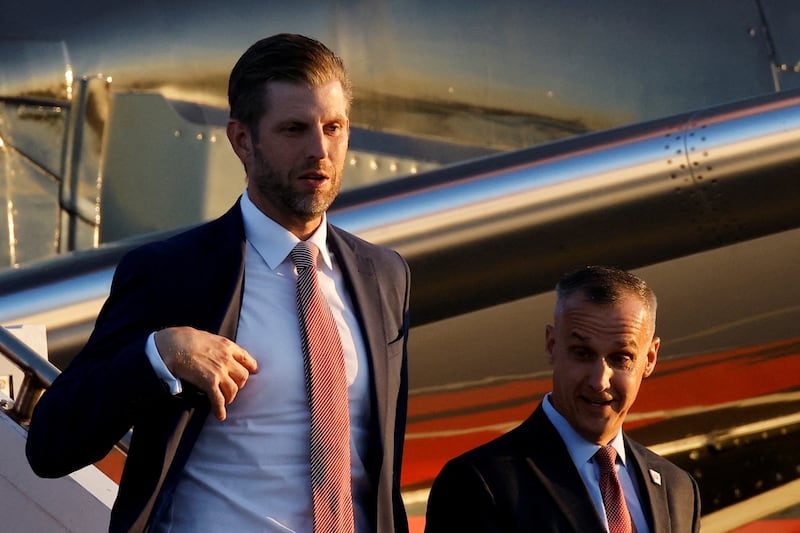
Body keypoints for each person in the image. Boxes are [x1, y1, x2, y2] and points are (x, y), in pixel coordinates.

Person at [26, 33, 411, 533]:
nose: (321, 149)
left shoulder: (385, 275)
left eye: (334, 127)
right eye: (294, 129)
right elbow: (51, 444)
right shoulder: (170, 272)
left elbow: (380, 472)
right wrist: (156, 355)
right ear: (242, 141)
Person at [425, 266, 700, 533]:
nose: (599, 381)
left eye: (620, 358)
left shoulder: (678, 489)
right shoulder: (479, 483)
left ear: (650, 359)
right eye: (582, 353)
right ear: (552, 346)